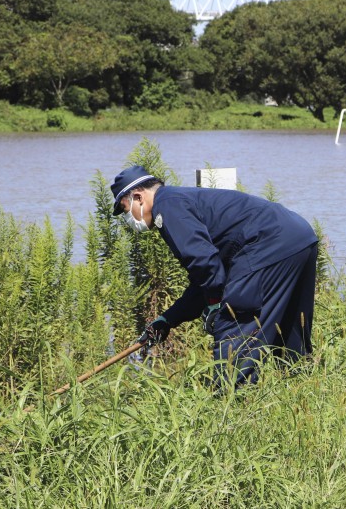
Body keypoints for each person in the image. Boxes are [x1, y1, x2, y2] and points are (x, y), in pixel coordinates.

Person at [110, 165, 319, 388]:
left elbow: (203, 263)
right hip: (299, 237)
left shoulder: (167, 206)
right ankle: (301, 392)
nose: (128, 218)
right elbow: (205, 275)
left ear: (138, 197)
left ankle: (233, 405)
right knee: (290, 329)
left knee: (234, 321)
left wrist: (215, 304)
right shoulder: (181, 199)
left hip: (268, 243)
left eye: (125, 209)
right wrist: (167, 320)